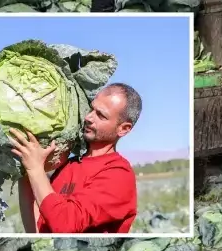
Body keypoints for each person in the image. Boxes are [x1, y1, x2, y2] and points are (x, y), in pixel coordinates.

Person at [13, 83, 142, 233]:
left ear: (123, 129)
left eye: (101, 115)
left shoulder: (118, 175)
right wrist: (25, 173)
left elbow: (65, 226)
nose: (88, 117)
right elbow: (39, 229)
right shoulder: (68, 164)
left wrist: (35, 169)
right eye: (91, 108)